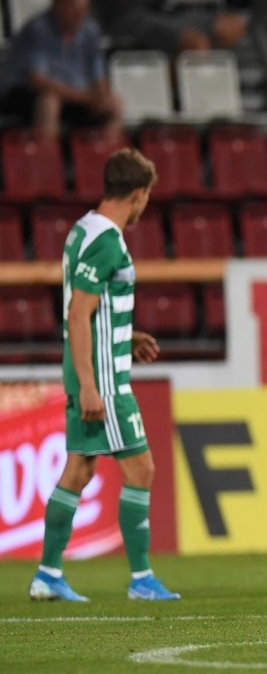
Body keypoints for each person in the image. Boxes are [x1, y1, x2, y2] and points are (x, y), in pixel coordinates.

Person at [29, 148, 180, 603]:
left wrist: (124, 333)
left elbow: (91, 307)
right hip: (104, 382)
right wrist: (92, 385)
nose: (145, 204)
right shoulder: (107, 241)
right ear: (138, 193)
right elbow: (78, 315)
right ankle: (141, 581)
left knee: (79, 468)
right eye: (146, 196)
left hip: (93, 371)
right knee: (142, 469)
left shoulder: (82, 229)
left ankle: (47, 574)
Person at [0, 0, 122, 139]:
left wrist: (100, 95)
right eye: (74, 4)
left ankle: (107, 161)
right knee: (49, 102)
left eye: (84, 6)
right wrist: (85, 98)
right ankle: (46, 159)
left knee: (114, 104)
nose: (80, 12)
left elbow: (97, 74)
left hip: (74, 97)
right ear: (57, 4)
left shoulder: (90, 30)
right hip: (22, 95)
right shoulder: (39, 29)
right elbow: (38, 81)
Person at [88, 0, 246, 55]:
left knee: (233, 25)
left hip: (165, 12)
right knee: (195, 43)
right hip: (125, 19)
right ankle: (182, 99)